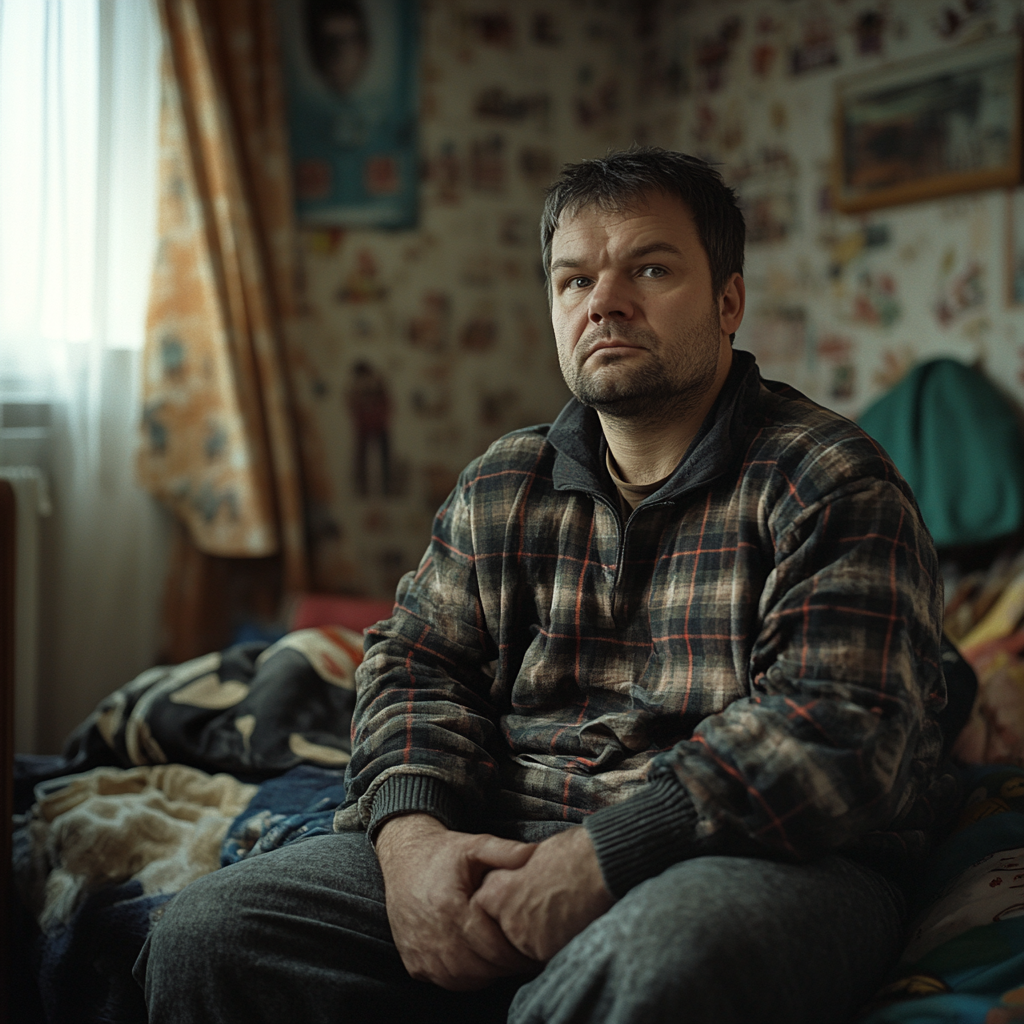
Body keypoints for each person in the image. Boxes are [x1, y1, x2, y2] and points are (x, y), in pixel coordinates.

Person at [137, 148, 961, 1024]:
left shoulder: (828, 477)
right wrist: (413, 844)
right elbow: (416, 667)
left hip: (760, 855)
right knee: (212, 930)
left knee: (652, 966)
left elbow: (840, 723)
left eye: (650, 266)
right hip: (504, 823)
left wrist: (600, 858)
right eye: (574, 281)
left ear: (730, 301)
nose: (603, 300)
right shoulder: (502, 480)